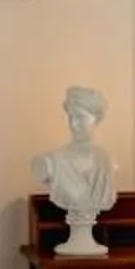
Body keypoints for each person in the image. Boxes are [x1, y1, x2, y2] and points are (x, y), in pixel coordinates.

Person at [34, 86, 119, 253]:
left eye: (80, 117)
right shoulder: (51, 162)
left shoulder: (108, 162)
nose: (73, 124)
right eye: (70, 117)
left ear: (96, 119)